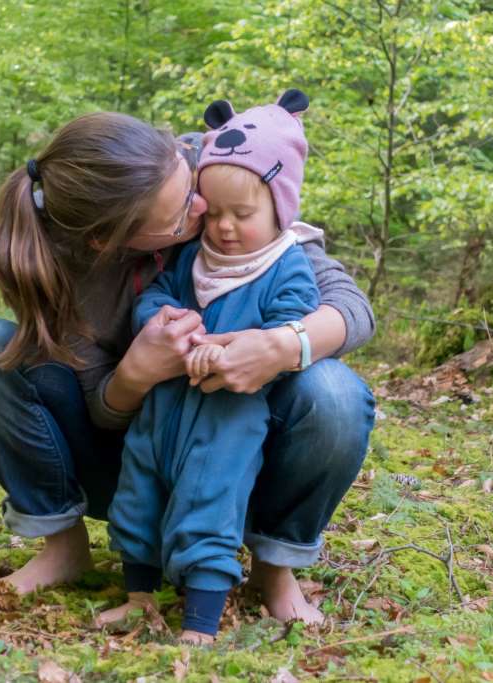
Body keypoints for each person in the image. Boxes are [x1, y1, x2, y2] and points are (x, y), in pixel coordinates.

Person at [0, 106, 376, 625]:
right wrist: (135, 374)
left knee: (334, 391)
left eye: (189, 183)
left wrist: (279, 346)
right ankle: (63, 545)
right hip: (134, 461)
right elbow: (95, 409)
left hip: (237, 444)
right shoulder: (64, 263)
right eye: (181, 216)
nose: (202, 208)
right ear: (111, 241)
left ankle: (275, 566)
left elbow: (351, 308)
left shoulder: (218, 166)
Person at [98, 90, 338, 643]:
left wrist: (245, 345)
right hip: (162, 411)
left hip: (227, 415)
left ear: (280, 205)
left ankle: (202, 618)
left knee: (211, 496)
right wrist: (162, 321)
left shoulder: (286, 264)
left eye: (243, 214)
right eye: (216, 212)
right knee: (138, 494)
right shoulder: (193, 257)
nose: (225, 227)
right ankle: (138, 595)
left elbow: (290, 319)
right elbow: (156, 293)